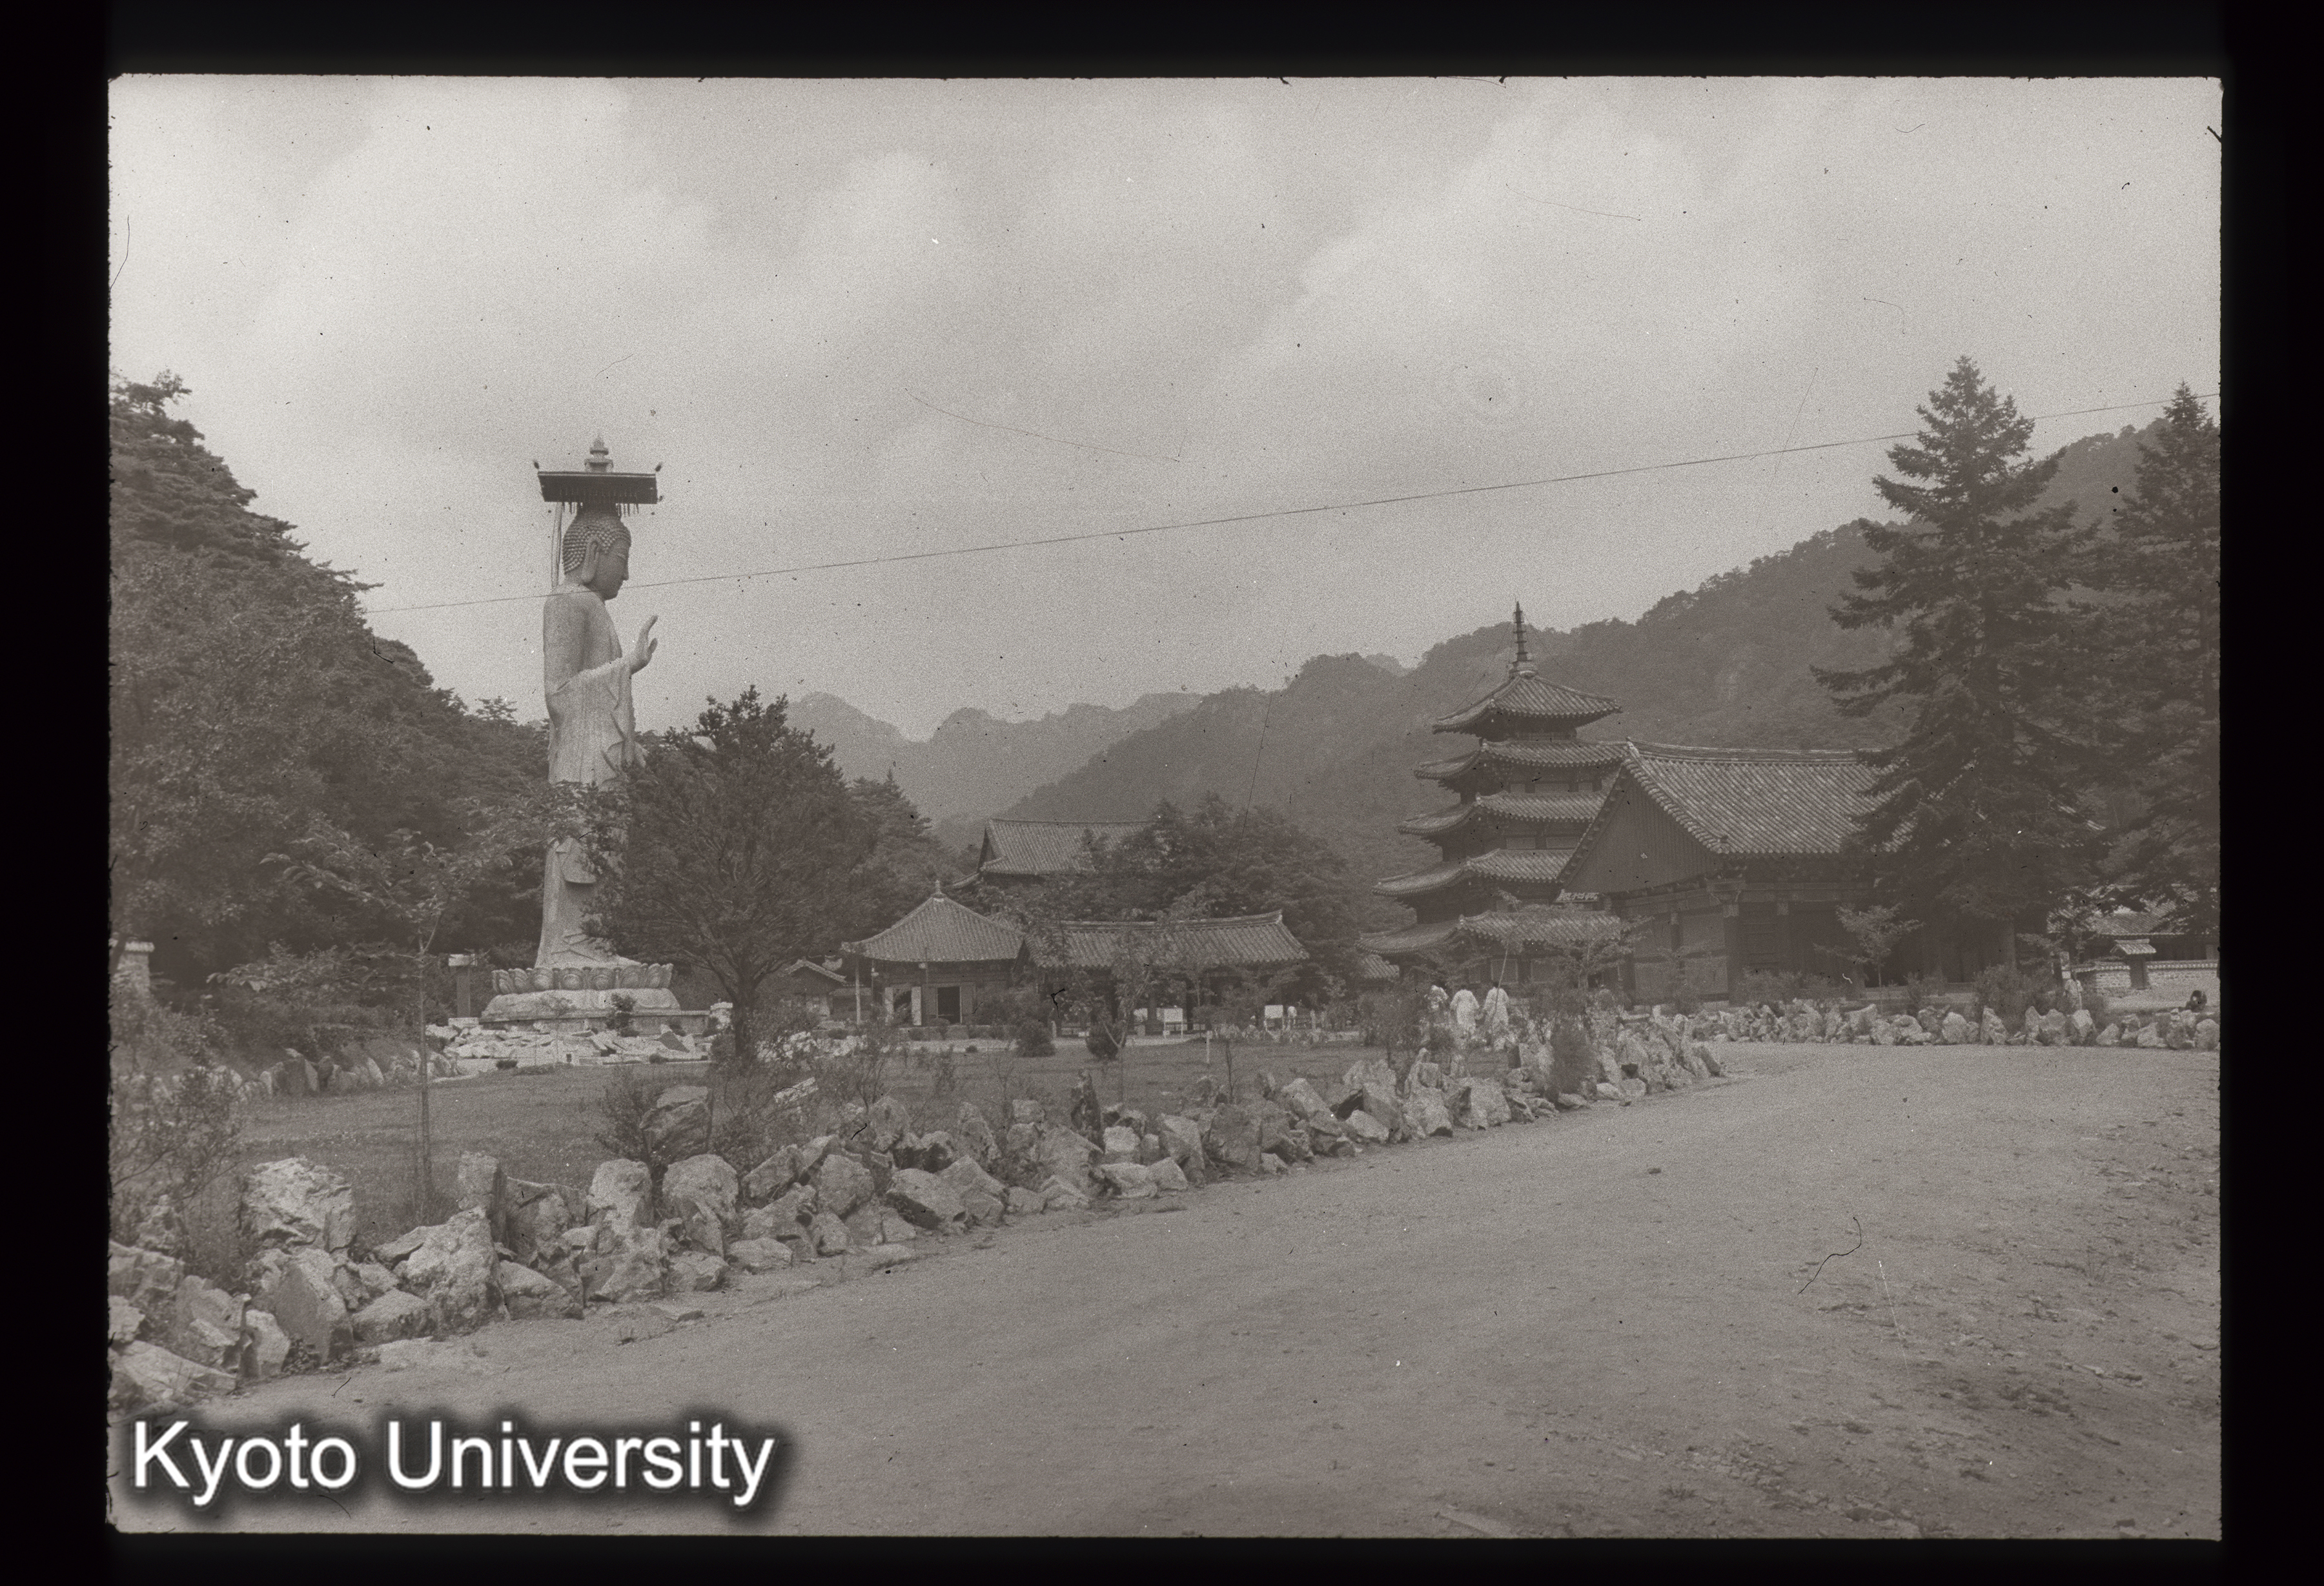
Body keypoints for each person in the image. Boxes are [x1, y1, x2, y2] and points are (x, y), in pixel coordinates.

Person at [535, 499, 658, 966]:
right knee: (580, 848)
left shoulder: (593, 607)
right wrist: (629, 665)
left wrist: (628, 740)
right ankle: (570, 950)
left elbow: (595, 687)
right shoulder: (567, 601)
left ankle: (597, 946)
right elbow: (559, 693)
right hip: (579, 759)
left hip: (598, 754)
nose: (626, 573)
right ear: (592, 553)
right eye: (621, 559)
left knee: (602, 849)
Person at [1482, 980, 1513, 1046]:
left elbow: (1488, 1002)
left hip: (1495, 1009)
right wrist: (1503, 1005)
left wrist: (1485, 1010)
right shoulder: (1502, 991)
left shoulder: (1491, 992)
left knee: (1496, 1025)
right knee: (1504, 1024)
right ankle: (1505, 1041)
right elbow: (1507, 1001)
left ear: (1493, 985)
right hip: (1502, 1009)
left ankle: (1497, 1043)